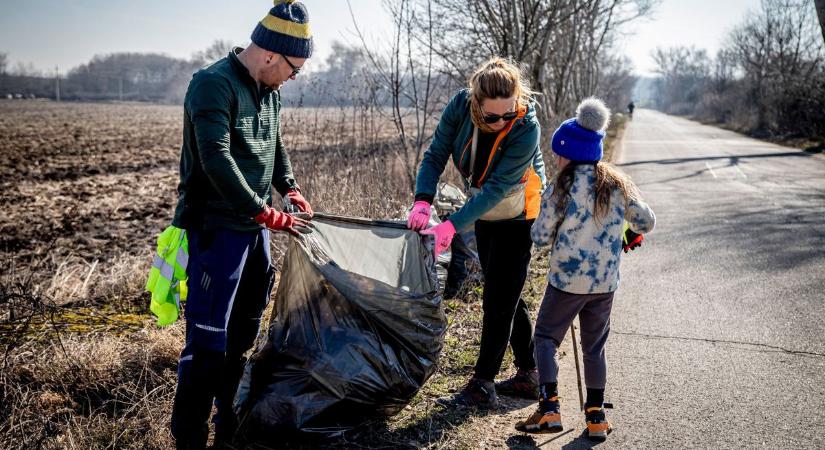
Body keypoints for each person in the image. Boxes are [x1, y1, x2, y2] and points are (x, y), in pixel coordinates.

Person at [168, 1, 314, 448]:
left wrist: (288, 188)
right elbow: (216, 158)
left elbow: (275, 146)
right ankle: (189, 436)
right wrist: (262, 210)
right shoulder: (212, 85)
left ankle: (226, 424)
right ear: (270, 54)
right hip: (216, 231)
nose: (294, 78)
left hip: (254, 234)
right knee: (208, 343)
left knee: (244, 334)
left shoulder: (270, 92)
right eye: (294, 68)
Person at [407, 57, 547, 408]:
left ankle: (482, 384)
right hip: (486, 208)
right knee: (504, 289)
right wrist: (423, 200)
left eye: (507, 113)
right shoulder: (459, 106)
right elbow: (436, 154)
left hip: (520, 210)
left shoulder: (526, 127)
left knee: (499, 297)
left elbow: (497, 190)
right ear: (475, 105)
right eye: (491, 117)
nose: (501, 122)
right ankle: (531, 374)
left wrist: (452, 225)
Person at [515, 98, 655, 441]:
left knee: (545, 338)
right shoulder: (618, 184)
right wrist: (628, 232)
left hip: (565, 282)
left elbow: (541, 236)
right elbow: (647, 222)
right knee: (595, 347)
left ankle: (549, 410)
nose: (556, 159)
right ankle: (596, 417)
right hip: (604, 283)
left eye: (559, 154)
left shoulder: (560, 188)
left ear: (570, 153)